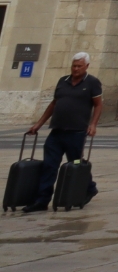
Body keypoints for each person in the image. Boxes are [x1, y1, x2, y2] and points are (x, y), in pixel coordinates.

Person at [22, 51, 101, 213]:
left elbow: (98, 104)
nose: (76, 69)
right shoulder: (63, 81)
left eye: (79, 66)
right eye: (74, 66)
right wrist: (39, 123)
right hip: (56, 131)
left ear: (87, 66)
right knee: (49, 166)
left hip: (77, 133)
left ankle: (89, 187)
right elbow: (54, 104)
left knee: (76, 163)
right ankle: (42, 200)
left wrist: (93, 124)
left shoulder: (92, 82)